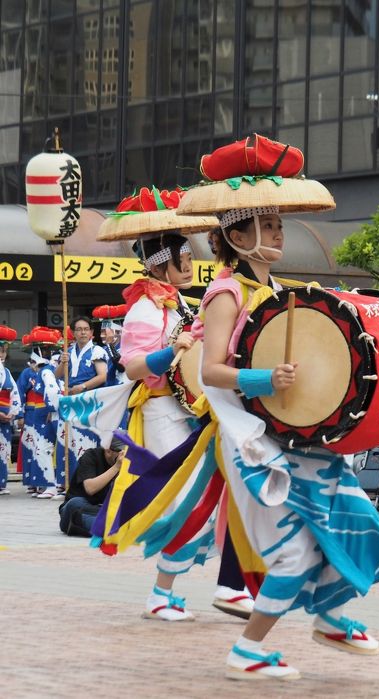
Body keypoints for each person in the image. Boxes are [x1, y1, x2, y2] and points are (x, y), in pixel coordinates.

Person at [192, 149, 379, 680]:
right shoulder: (226, 292)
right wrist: (264, 379)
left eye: (279, 223)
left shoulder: (278, 293)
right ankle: (248, 648)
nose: (279, 233)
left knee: (354, 518)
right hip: (252, 442)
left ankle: (329, 616)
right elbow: (209, 370)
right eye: (266, 224)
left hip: (296, 437)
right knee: (291, 552)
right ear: (237, 236)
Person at [90, 186, 250, 621]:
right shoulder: (144, 308)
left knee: (203, 498)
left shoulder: (177, 301)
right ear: (167, 260)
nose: (191, 263)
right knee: (182, 502)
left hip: (186, 412)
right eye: (184, 256)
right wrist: (170, 350)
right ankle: (162, 593)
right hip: (161, 410)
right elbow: (134, 367)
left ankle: (192, 587)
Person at [54, 315, 108, 484]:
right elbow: (57, 375)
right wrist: (63, 363)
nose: (83, 333)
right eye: (79, 329)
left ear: (91, 332)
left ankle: (86, 481)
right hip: (70, 399)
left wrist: (83, 387)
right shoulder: (68, 352)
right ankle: (66, 482)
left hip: (88, 400)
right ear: (73, 332)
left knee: (86, 440)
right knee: (67, 439)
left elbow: (102, 376)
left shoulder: (97, 351)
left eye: (86, 329)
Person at [18, 329, 61, 499]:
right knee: (42, 449)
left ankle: (51, 485)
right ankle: (48, 484)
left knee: (44, 448)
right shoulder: (44, 370)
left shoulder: (45, 371)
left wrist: (51, 409)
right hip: (40, 412)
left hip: (45, 413)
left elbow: (52, 390)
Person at [59, 436, 125, 536]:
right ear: (108, 451)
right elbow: (90, 488)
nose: (124, 455)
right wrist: (116, 467)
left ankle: (109, 527)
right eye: (121, 451)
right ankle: (112, 528)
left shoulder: (129, 464)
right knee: (75, 503)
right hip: (78, 508)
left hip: (102, 510)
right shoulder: (91, 456)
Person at [0, 326, 21, 495]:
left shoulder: (6, 371)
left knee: (3, 450)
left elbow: (15, 394)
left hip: (5, 417)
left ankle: (1, 482)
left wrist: (12, 413)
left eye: (4, 351)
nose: (1, 354)